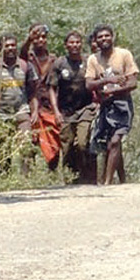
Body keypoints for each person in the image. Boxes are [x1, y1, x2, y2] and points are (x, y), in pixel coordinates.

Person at [85, 24, 139, 185]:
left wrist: (114, 91)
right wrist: (108, 80)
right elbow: (89, 84)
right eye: (100, 37)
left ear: (113, 36)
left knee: (115, 141)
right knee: (110, 143)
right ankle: (122, 179)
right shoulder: (93, 59)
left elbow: (133, 82)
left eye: (107, 36)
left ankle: (107, 182)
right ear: (95, 40)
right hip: (105, 106)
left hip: (122, 105)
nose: (104, 39)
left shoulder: (124, 54)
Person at [0, 33, 39, 172]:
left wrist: (35, 111)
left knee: (26, 146)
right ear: (0, 48)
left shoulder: (26, 66)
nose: (10, 48)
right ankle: (4, 179)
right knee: (3, 149)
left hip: (22, 111)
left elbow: (32, 92)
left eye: (13, 45)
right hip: (1, 115)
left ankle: (27, 180)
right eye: (6, 46)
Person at [49, 31, 98, 184]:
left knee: (83, 143)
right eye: (71, 42)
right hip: (66, 111)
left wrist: (98, 102)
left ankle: (88, 176)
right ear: (66, 45)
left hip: (85, 108)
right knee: (67, 146)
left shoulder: (89, 61)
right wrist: (56, 111)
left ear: (81, 44)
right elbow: (52, 88)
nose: (75, 45)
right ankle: (71, 179)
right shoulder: (59, 63)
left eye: (77, 42)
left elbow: (97, 81)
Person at [20, 23, 60, 168]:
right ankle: (27, 178)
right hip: (31, 104)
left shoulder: (54, 59)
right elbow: (21, 53)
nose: (40, 40)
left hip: (49, 106)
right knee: (30, 142)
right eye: (37, 38)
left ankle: (53, 176)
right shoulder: (28, 58)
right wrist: (28, 40)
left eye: (43, 37)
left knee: (53, 143)